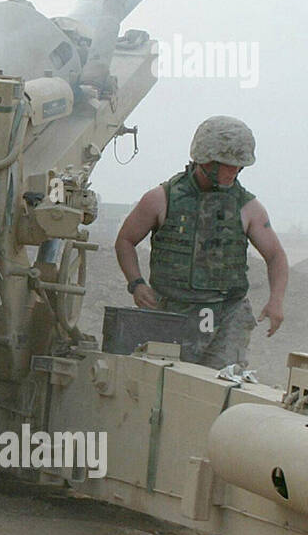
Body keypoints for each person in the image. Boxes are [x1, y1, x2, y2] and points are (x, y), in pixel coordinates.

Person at [114, 115, 287, 368]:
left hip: (228, 315)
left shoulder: (248, 207)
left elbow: (276, 256)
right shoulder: (161, 199)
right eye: (228, 164)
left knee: (220, 389)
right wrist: (136, 284)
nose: (235, 171)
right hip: (172, 314)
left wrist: (276, 301)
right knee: (165, 385)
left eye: (239, 166)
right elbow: (125, 240)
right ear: (205, 160)